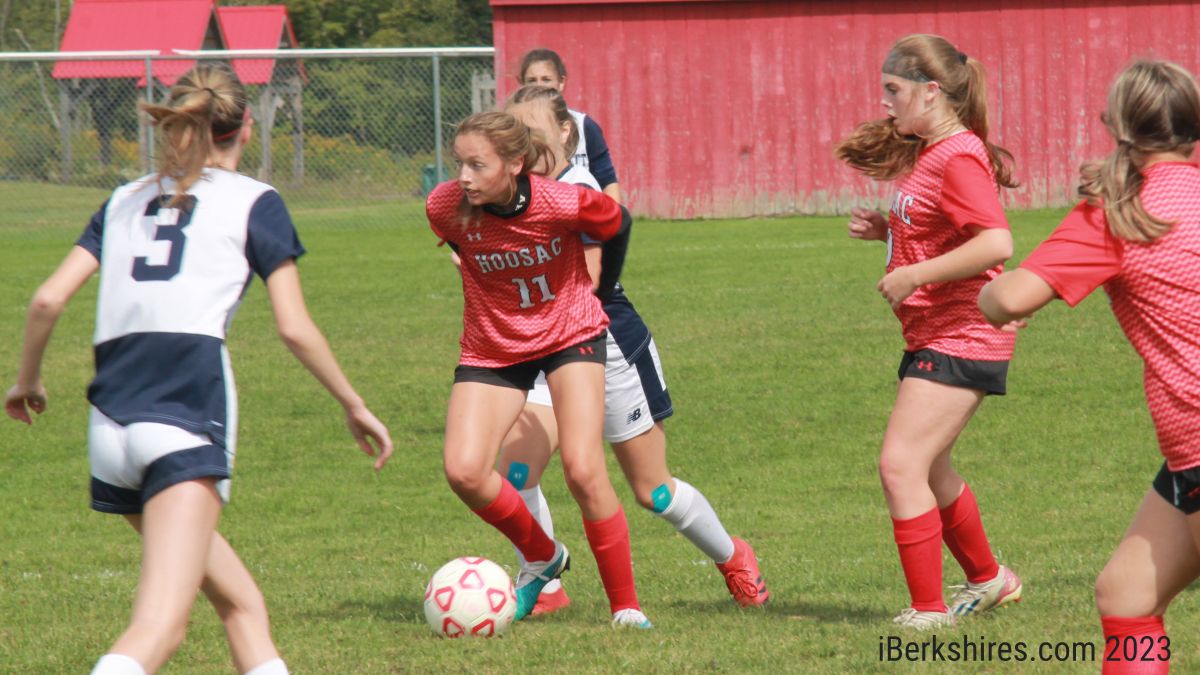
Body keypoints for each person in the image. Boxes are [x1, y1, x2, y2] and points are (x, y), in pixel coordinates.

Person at [4, 63, 393, 675]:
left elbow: (48, 300)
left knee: (242, 605)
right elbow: (294, 327)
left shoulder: (123, 199)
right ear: (245, 129)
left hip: (110, 425)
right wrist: (354, 403)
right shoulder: (255, 201)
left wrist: (27, 380)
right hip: (183, 413)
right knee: (158, 628)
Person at [499, 85, 769, 618]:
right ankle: (545, 581)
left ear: (564, 132)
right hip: (544, 350)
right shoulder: (513, 195)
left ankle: (732, 555)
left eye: (532, 130)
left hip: (608, 346)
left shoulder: (578, 188)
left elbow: (590, 271)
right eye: (515, 132)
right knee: (515, 475)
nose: (523, 143)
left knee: (654, 492)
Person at [979, 60, 1199, 673]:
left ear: (1116, 126)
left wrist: (986, 291)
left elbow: (1007, 300)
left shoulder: (1122, 213)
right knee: (1127, 595)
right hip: (1187, 450)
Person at [427, 110, 651, 626]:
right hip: (494, 344)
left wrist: (601, 288)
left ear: (514, 164)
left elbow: (618, 222)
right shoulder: (443, 206)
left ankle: (626, 608)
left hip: (570, 333)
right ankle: (543, 555)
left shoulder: (562, 201)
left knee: (583, 470)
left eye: (477, 165)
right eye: (459, 163)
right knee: (464, 471)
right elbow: (465, 243)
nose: (463, 177)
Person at [833, 34, 1023, 629]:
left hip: (964, 332)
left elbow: (996, 243)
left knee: (900, 465)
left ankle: (928, 610)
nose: (885, 101)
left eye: (894, 89)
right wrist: (888, 234)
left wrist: (913, 272)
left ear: (931, 92)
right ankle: (990, 580)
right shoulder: (935, 152)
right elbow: (945, 231)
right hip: (938, 330)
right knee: (931, 468)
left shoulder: (957, 155)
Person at [518, 48, 623, 203]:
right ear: (522, 84)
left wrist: (615, 215)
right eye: (532, 80)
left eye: (546, 79)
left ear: (561, 82)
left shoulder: (584, 125)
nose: (539, 86)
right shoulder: (515, 127)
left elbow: (607, 181)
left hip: (582, 208)